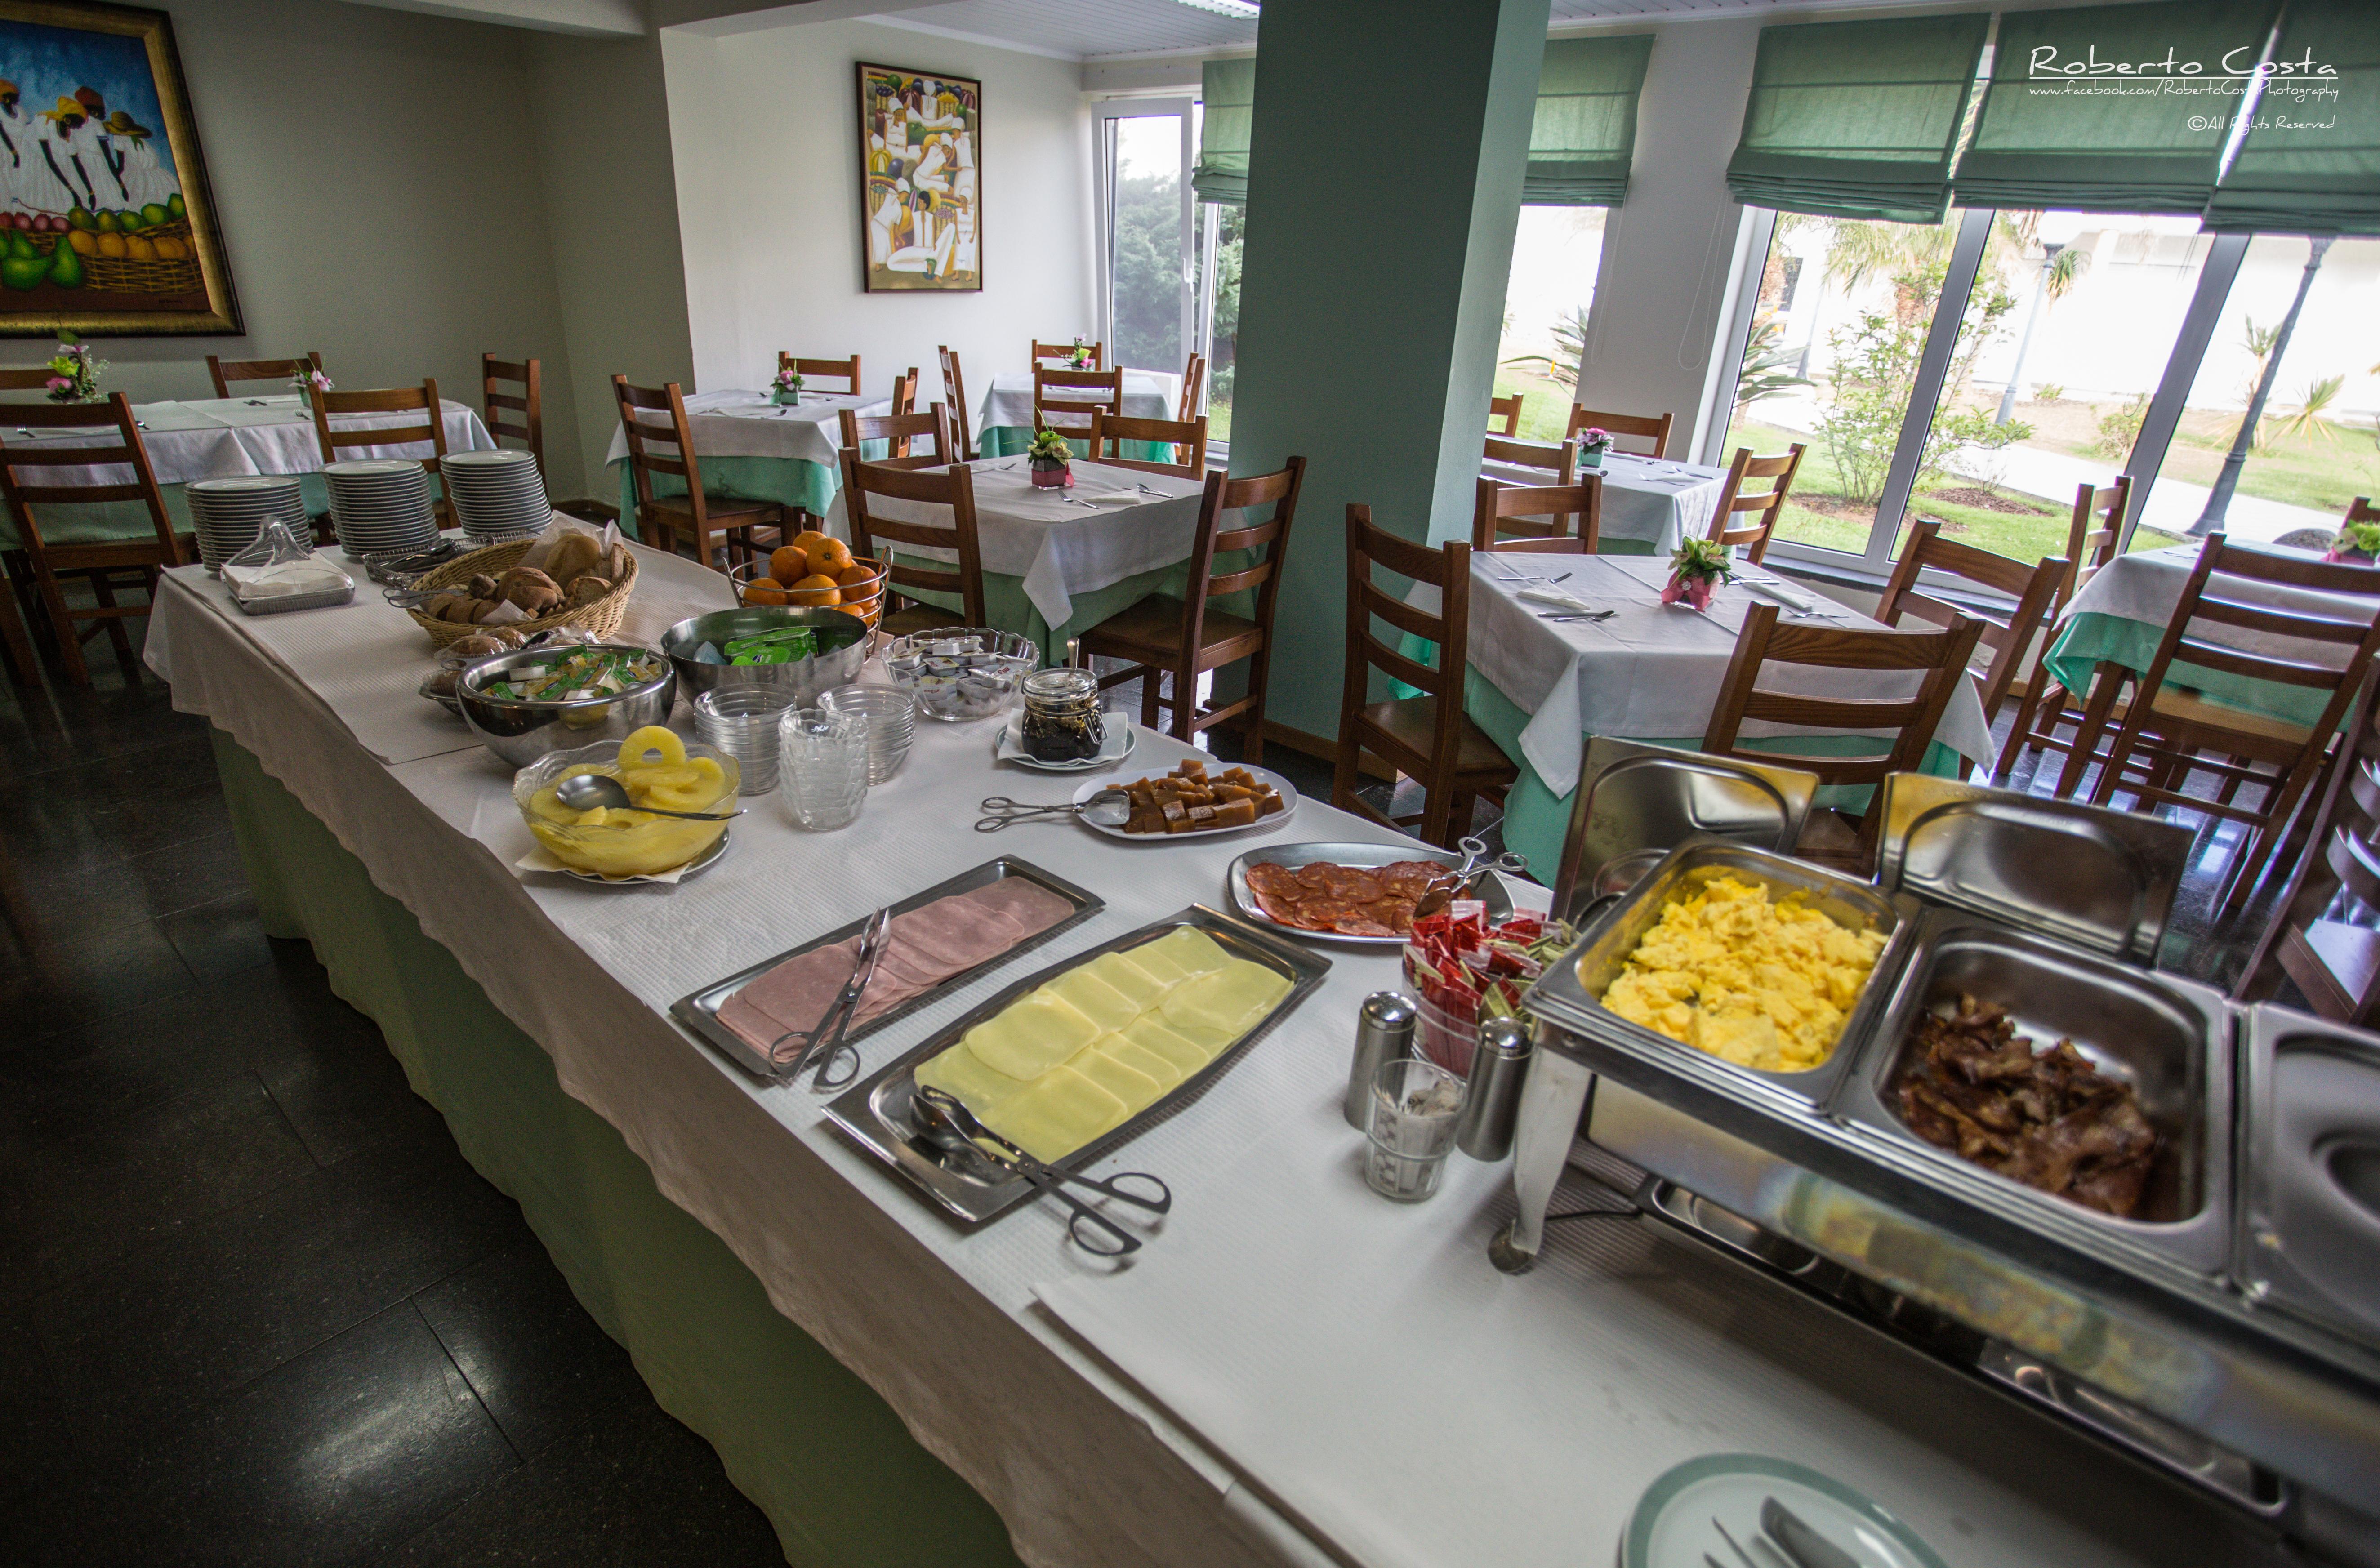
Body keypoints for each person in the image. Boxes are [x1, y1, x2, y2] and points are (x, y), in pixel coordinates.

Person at [105, 111, 176, 210]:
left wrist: (115, 178)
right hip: (153, 174)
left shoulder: (119, 139)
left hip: (134, 173)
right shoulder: (137, 139)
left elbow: (121, 166)